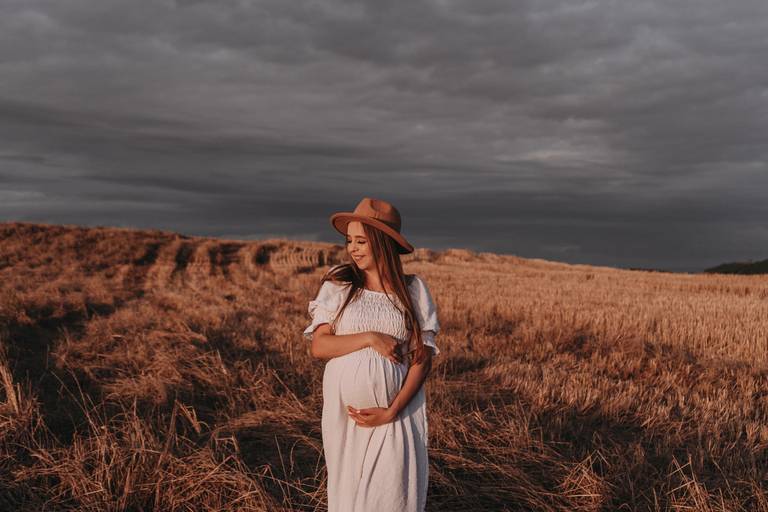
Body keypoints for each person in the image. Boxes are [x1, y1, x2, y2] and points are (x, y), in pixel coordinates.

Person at [302, 197, 441, 512]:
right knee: (350, 498)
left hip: (394, 416)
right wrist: (369, 338)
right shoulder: (340, 284)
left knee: (386, 497)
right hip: (346, 419)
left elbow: (422, 359)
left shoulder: (413, 291)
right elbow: (319, 346)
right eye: (349, 240)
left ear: (383, 242)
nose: (353, 248)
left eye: (361, 240)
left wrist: (392, 411)